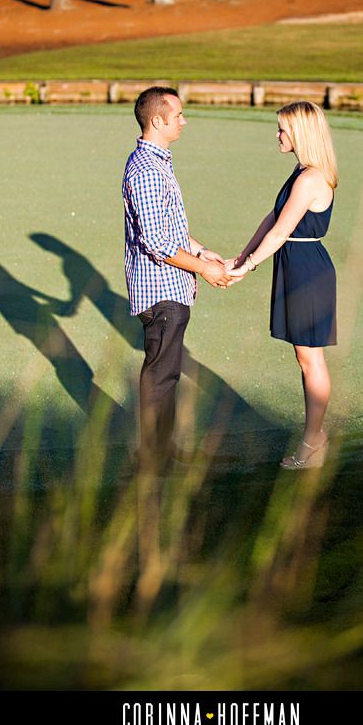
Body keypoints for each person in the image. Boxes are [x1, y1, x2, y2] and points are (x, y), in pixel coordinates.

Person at [122, 86, 231, 470]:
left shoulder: (159, 162)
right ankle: (151, 458)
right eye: (178, 115)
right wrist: (205, 269)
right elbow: (154, 242)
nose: (184, 121)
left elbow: (168, 230)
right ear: (158, 120)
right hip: (160, 288)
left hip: (172, 285)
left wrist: (201, 251)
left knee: (167, 373)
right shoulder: (147, 169)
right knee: (160, 375)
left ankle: (161, 449)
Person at [226, 100, 338, 469]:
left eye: (282, 129)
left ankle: (313, 440)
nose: (277, 135)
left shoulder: (310, 179)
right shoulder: (300, 172)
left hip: (307, 270)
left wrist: (248, 267)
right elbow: (272, 217)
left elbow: (280, 231)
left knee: (310, 358)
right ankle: (315, 436)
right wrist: (242, 256)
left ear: (300, 133)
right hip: (295, 266)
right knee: (304, 356)